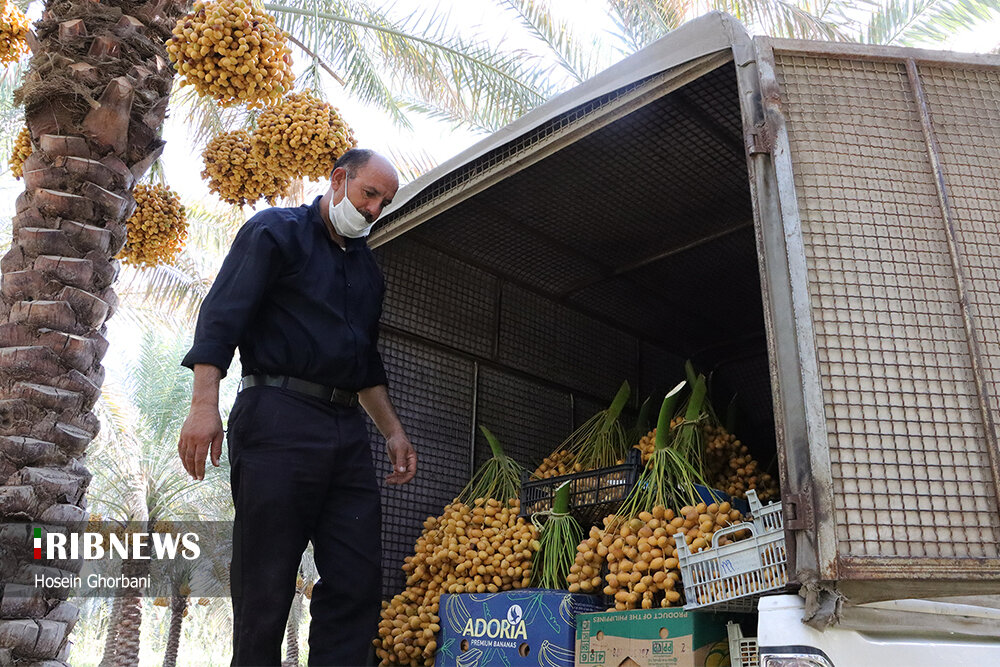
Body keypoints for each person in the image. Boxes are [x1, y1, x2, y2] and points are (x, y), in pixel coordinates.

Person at [176, 148, 417, 666]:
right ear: (338, 180)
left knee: (356, 578)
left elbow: (365, 366)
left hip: (346, 427)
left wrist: (393, 432)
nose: (374, 209)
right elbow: (221, 318)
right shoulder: (274, 232)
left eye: (384, 202)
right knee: (266, 579)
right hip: (276, 412)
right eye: (369, 194)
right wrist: (203, 406)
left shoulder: (368, 272)